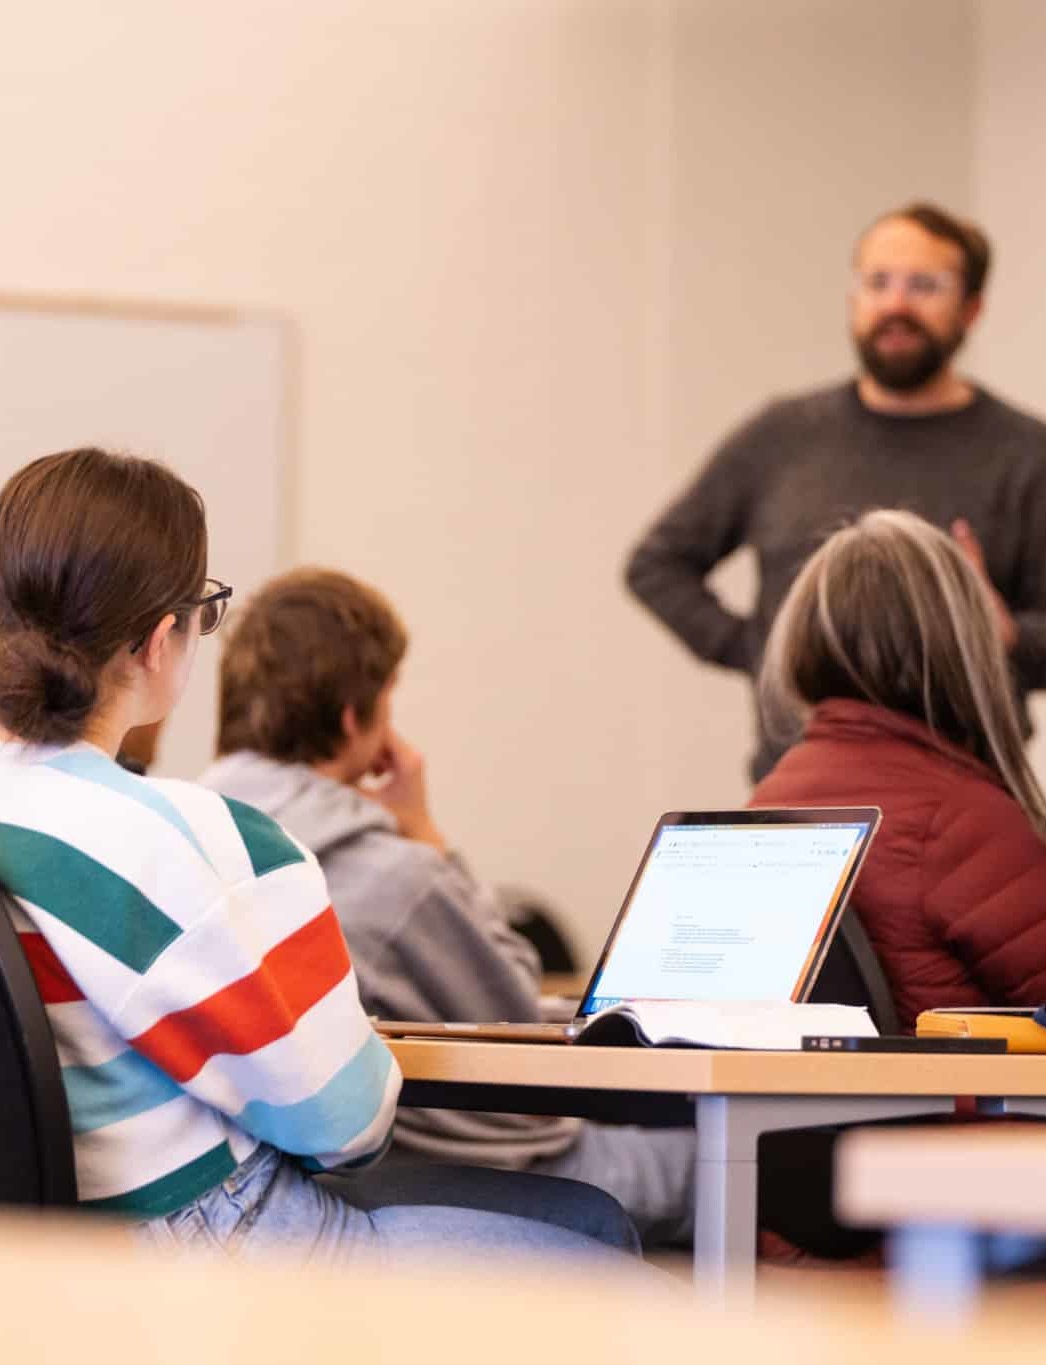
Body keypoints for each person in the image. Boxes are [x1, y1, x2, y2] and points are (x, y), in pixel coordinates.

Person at [0, 448, 637, 1261]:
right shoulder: (203, 842)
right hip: (206, 1245)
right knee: (596, 1232)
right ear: (159, 639)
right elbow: (347, 1127)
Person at [202, 568, 694, 1246]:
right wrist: (426, 835)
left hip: (277, 1180)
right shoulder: (392, 875)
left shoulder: (194, 834)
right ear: (356, 718)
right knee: (712, 1162)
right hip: (459, 1160)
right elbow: (515, 1013)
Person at [625, 201, 1046, 781]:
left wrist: (1007, 636)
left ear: (971, 309)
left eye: (925, 284)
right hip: (798, 791)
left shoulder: (1027, 454)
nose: (896, 304)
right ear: (854, 300)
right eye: (878, 282)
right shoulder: (780, 435)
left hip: (969, 797)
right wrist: (762, 650)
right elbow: (657, 565)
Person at [752, 508, 1046, 1032]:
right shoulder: (962, 819)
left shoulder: (770, 798)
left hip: (812, 1110)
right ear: (963, 646)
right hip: (961, 1109)